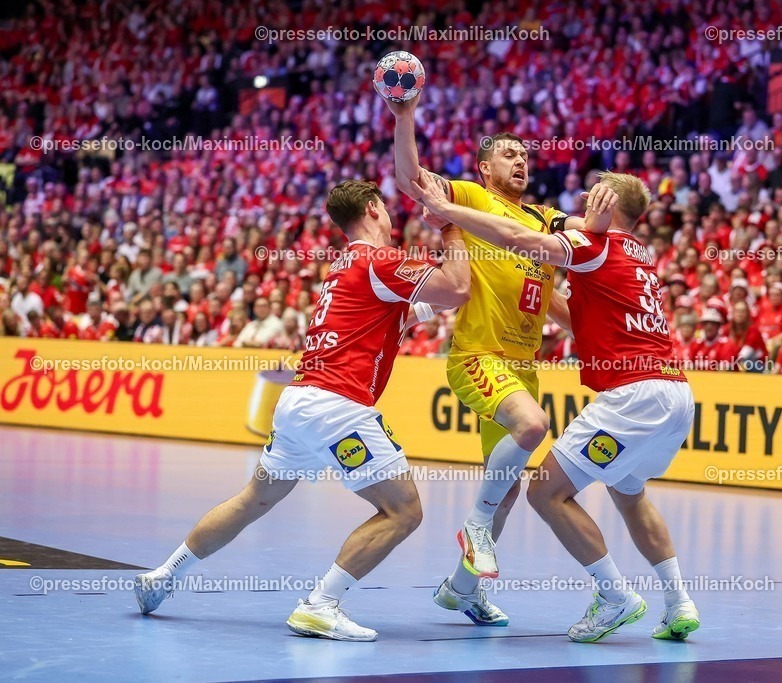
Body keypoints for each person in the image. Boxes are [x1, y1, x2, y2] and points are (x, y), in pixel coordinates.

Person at [133, 180, 470, 641]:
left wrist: (432, 307)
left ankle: (163, 575)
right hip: (338, 405)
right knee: (404, 510)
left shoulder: (342, 266)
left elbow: (396, 316)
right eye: (387, 209)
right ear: (373, 209)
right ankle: (320, 605)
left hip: (297, 403)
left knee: (253, 500)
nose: (392, 218)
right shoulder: (381, 260)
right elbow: (457, 287)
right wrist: (452, 226)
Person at [410, 170, 699, 642]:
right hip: (675, 395)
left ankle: (614, 597)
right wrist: (521, 291)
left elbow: (517, 238)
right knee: (630, 494)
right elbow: (572, 317)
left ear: (605, 202)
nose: (581, 203)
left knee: (545, 491)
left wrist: (447, 215)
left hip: (632, 396)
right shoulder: (638, 255)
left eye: (590, 197)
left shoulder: (593, 244)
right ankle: (679, 602)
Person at [388, 93, 579, 626]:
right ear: (485, 167)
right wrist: (405, 116)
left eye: (525, 156)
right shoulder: (472, 199)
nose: (521, 161)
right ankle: (474, 527)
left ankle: (462, 589)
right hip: (478, 354)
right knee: (534, 425)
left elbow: (556, 300)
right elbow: (410, 178)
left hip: (523, 364)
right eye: (509, 155)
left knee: (512, 483)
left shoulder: (544, 220)